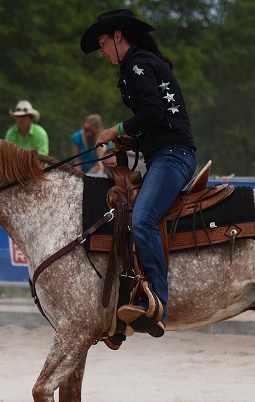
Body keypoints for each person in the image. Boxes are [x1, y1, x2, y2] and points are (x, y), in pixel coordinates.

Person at [81, 9, 197, 337]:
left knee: (143, 219)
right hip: (166, 152)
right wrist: (130, 137)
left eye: (103, 42)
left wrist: (114, 130)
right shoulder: (141, 62)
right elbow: (156, 118)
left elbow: (152, 111)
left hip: (172, 156)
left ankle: (157, 303)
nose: (102, 51)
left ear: (119, 36)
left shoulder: (135, 63)